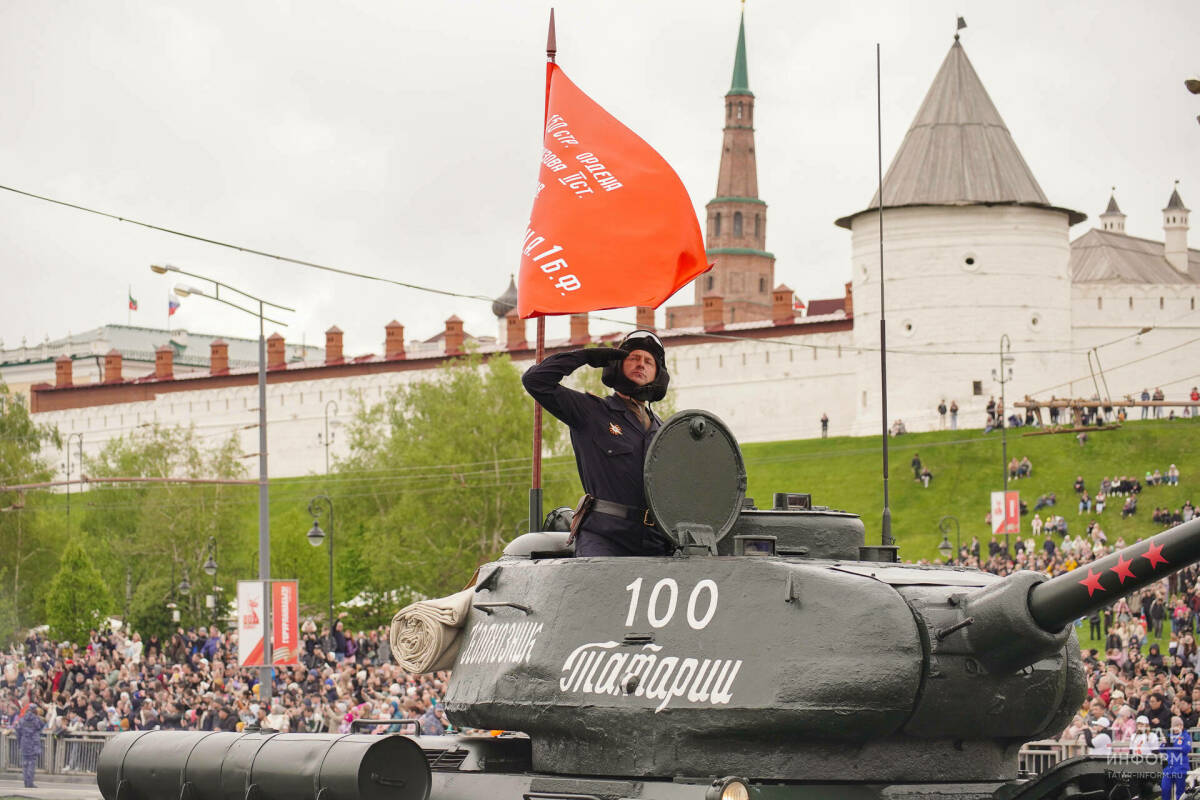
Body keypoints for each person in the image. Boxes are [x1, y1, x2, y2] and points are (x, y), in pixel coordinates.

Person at [522, 330, 672, 557]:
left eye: (648, 361)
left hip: (655, 540)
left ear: (657, 374)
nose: (641, 364)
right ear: (618, 365)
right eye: (633, 358)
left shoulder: (663, 430)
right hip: (605, 537)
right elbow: (535, 380)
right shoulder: (591, 411)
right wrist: (585, 357)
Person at [12, 700, 45, 788]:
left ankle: (26, 782)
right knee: (31, 763)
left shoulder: (22, 719)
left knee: (25, 763)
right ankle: (30, 782)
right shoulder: (36, 719)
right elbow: (42, 726)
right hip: (33, 743)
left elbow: (17, 731)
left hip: (24, 742)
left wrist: (19, 741)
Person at [1161, 716, 1191, 800]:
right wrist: (1164, 743)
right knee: (1165, 788)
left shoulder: (1186, 736)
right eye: (1175, 725)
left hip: (1181, 767)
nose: (1178, 727)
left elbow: (1186, 749)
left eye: (1179, 725)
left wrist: (1174, 744)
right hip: (1169, 768)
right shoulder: (1169, 736)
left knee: (1180, 792)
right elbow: (1161, 750)